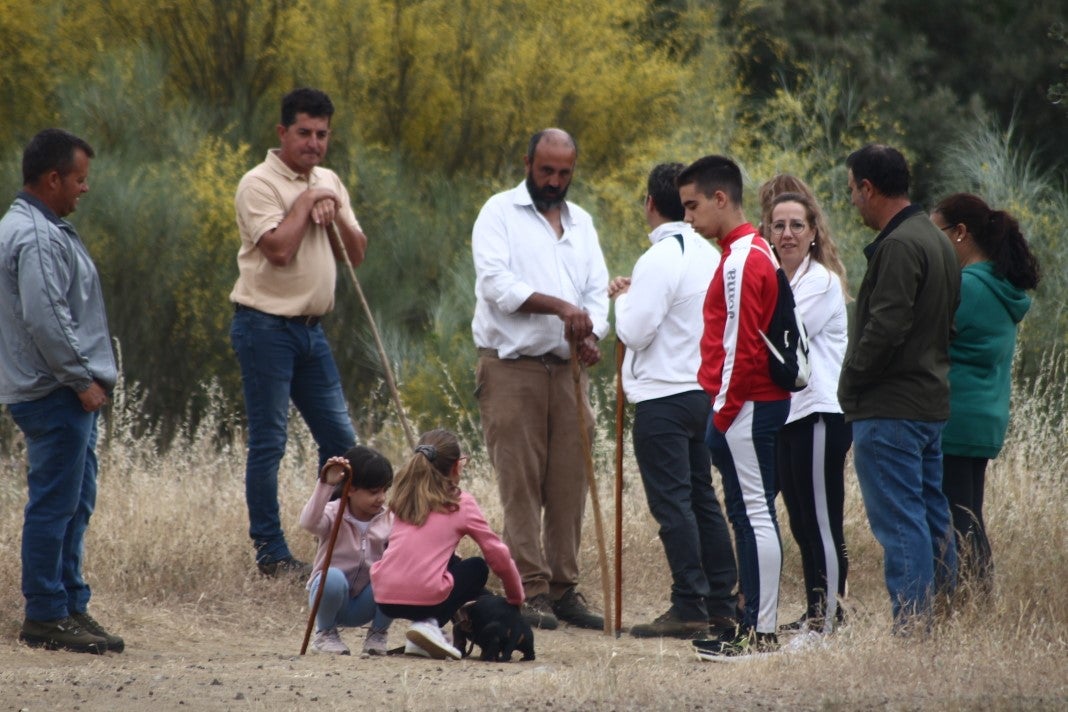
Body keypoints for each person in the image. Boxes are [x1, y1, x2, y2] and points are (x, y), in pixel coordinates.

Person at [471, 128, 609, 631]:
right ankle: (526, 590)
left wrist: (589, 330)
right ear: (528, 161)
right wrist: (562, 309)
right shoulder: (498, 213)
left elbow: (598, 292)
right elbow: (496, 285)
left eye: (564, 173)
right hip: (511, 367)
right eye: (546, 170)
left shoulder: (583, 223)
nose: (554, 181)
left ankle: (564, 589)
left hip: (568, 371)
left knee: (570, 481)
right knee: (521, 482)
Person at [229, 87, 368, 577]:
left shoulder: (330, 179)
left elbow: (355, 253)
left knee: (341, 444)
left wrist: (332, 210)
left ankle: (341, 544)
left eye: (322, 134)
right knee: (270, 441)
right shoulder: (258, 183)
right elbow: (280, 251)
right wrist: (307, 201)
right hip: (264, 325)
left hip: (312, 331)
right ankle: (270, 551)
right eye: (304, 133)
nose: (313, 143)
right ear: (282, 132)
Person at [0, 128, 123, 654]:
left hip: (53, 389)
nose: (84, 189)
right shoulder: (36, 236)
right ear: (52, 179)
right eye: (78, 179)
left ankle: (70, 604)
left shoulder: (32, 228)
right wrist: (82, 380)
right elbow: (48, 319)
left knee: (74, 502)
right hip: (55, 393)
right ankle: (46, 614)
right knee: (55, 505)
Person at [609, 163, 738, 639]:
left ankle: (689, 602)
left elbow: (636, 332)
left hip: (663, 396)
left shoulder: (660, 257)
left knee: (674, 505)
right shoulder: (708, 254)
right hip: (702, 392)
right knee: (702, 497)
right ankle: (722, 599)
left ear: (649, 204)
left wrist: (622, 300)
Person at [839, 144, 960, 631]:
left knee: (901, 521)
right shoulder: (935, 240)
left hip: (890, 409)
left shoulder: (898, 246)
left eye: (852, 191)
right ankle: (949, 613)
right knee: (932, 513)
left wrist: (851, 381)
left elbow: (885, 328)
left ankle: (913, 626)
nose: (852, 201)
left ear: (869, 188)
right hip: (929, 403)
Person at [677, 155, 791, 660]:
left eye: (693, 205)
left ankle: (759, 632)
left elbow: (740, 347)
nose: (688, 218)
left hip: (746, 407)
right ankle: (751, 624)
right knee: (748, 514)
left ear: (720, 199)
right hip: (748, 405)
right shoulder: (748, 250)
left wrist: (720, 417)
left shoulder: (744, 257)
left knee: (755, 515)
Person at [931, 194, 1040, 590]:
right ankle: (975, 595)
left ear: (960, 233)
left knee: (956, 515)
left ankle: (969, 597)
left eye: (936, 231)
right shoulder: (999, 284)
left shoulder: (969, 287)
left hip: (956, 414)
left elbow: (931, 340)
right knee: (969, 511)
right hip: (984, 415)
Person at [764, 187, 852, 634]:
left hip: (820, 412)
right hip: (788, 414)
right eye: (779, 225)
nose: (787, 233)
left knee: (821, 518)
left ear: (814, 232)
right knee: (800, 518)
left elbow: (782, 339)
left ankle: (833, 614)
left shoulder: (820, 282)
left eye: (797, 225)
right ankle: (817, 607)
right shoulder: (777, 279)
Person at [370, 429, 525, 660]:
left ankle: (421, 636)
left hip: (384, 599)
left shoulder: (403, 497)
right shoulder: (459, 502)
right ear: (455, 467)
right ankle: (429, 624)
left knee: (451, 561)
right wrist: (516, 597)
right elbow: (497, 553)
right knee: (476, 567)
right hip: (425, 598)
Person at [300, 445, 394, 656]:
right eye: (373, 492)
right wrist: (326, 483)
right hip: (330, 598)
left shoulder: (389, 519)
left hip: (365, 603)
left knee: (391, 572)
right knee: (331, 576)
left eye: (384, 490)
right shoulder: (334, 513)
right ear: (350, 489)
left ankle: (378, 634)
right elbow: (308, 522)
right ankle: (325, 634)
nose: (381, 498)